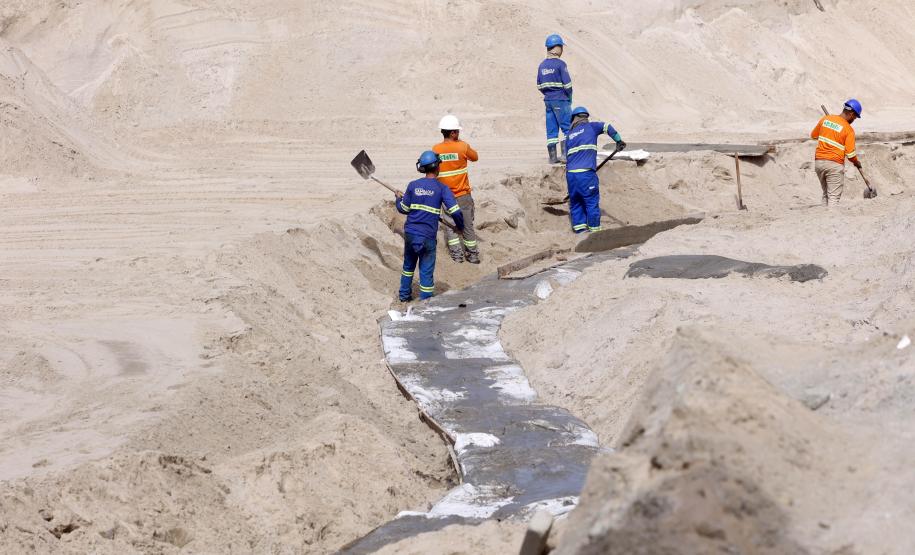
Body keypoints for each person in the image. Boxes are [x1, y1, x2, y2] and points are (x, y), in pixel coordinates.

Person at [395, 151, 464, 302]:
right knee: (426, 270)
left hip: (411, 234)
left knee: (408, 267)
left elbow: (403, 209)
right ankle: (425, 301)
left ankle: (404, 296)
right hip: (427, 237)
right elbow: (455, 211)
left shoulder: (413, 185)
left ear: (422, 168)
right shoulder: (442, 188)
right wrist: (460, 226)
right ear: (437, 166)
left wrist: (398, 199)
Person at [564, 106, 625, 233]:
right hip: (586, 174)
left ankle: (580, 231)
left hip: (571, 175)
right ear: (586, 117)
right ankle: (595, 232)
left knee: (576, 203)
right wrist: (618, 140)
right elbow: (607, 127)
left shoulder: (569, 135)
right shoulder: (591, 127)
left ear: (574, 119)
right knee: (591, 202)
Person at [433, 115, 480, 264]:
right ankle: (472, 255)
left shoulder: (436, 149)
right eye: (457, 131)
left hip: (446, 197)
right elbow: (475, 157)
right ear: (453, 133)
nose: (459, 134)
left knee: (450, 226)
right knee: (467, 225)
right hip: (463, 195)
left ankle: (457, 255)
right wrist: (460, 144)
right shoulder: (462, 146)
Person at [810, 99, 864, 205]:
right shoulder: (848, 130)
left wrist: (829, 133)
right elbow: (850, 154)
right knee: (833, 198)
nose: (854, 120)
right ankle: (832, 216)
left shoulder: (826, 119)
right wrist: (856, 162)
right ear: (851, 113)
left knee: (826, 194)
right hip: (834, 165)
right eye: (855, 117)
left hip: (819, 163)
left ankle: (824, 214)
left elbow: (813, 136)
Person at [537, 34, 573, 164]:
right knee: (567, 127)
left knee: (551, 129)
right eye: (561, 47)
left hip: (548, 101)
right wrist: (569, 97)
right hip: (561, 99)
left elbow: (539, 86)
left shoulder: (542, 65)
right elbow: (568, 85)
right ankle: (565, 156)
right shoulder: (561, 64)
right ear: (557, 48)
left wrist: (549, 94)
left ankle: (552, 158)